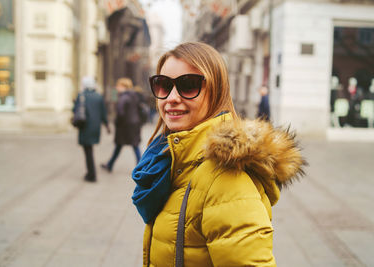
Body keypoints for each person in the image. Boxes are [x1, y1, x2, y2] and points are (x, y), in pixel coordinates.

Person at [131, 42, 306, 266]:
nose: (171, 98)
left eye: (188, 85)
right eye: (163, 85)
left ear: (216, 91)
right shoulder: (171, 160)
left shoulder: (226, 177)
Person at [101, 78, 142, 172]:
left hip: (125, 126)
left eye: (118, 86)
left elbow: (120, 112)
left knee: (123, 145)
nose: (117, 87)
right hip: (134, 124)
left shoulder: (124, 97)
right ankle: (110, 164)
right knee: (132, 145)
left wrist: (117, 122)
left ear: (124, 86)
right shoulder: (134, 95)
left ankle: (140, 167)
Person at [73, 76, 110, 182]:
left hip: (85, 127)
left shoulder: (81, 95)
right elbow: (103, 113)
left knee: (88, 151)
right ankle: (90, 173)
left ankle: (91, 174)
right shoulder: (99, 96)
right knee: (90, 150)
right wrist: (107, 125)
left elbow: (75, 110)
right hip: (95, 128)